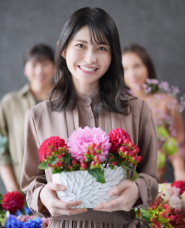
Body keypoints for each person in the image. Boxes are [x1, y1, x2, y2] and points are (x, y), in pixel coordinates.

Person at [21, 8, 158, 228]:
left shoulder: (138, 110)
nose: (90, 57)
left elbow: (151, 178)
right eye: (80, 45)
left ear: (113, 55)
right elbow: (31, 183)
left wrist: (138, 189)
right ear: (63, 49)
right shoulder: (37, 116)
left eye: (102, 47)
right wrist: (42, 196)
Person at [122, 44, 185, 183]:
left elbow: (177, 142)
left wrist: (180, 170)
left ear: (147, 66)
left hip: (156, 182)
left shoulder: (166, 102)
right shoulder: (118, 105)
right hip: (124, 183)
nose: (132, 73)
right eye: (125, 69)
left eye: (137, 66)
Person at [0, 44, 55, 192]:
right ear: (25, 70)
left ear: (54, 68)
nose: (39, 70)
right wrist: (13, 191)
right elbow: (1, 151)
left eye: (44, 64)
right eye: (33, 65)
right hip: (22, 191)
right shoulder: (9, 103)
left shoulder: (66, 101)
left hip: (60, 189)